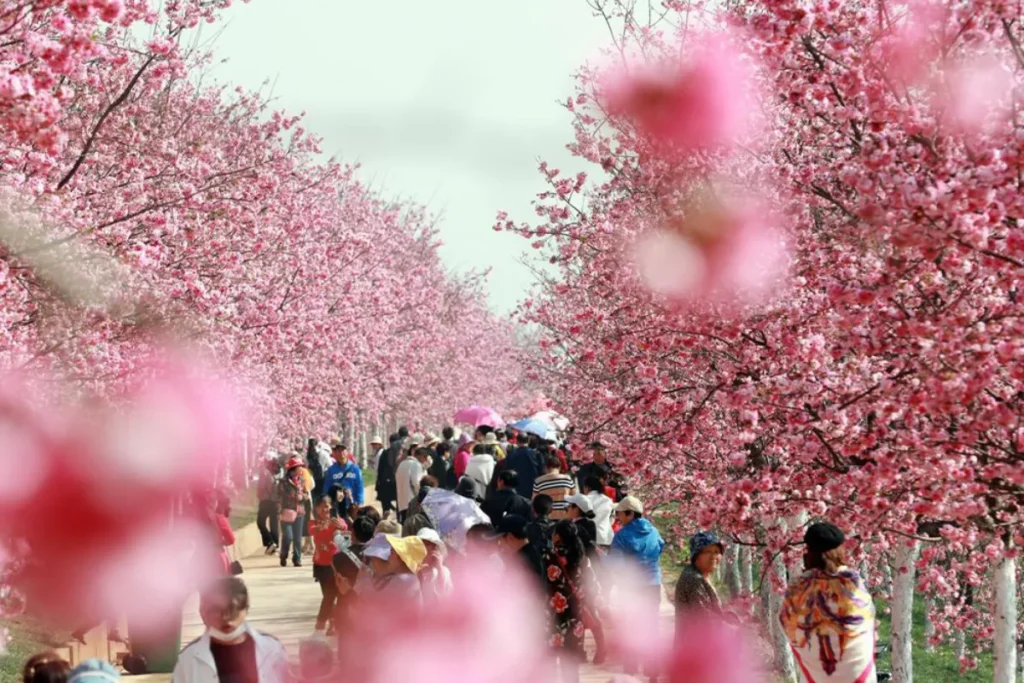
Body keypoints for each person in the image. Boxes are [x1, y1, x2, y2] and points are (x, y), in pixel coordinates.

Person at [780, 522, 876, 683]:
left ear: (808, 553)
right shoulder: (853, 584)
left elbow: (786, 621)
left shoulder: (798, 588)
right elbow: (866, 618)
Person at [173, 577, 289, 683]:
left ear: (246, 610)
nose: (226, 618)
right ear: (203, 613)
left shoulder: (272, 650)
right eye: (217, 610)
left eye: (232, 609)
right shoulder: (189, 659)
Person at [610, 495, 664, 680]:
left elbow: (615, 565)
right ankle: (653, 672)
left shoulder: (622, 535)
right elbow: (661, 546)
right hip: (653, 584)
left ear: (629, 513)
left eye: (620, 513)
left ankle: (631, 673)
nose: (617, 516)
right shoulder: (654, 531)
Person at [544, 521, 602, 683]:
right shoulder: (580, 556)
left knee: (551, 660)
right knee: (570, 663)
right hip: (576, 615)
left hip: (555, 616)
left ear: (558, 537)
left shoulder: (549, 556)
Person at [310, 495, 347, 633]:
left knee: (334, 594)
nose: (325, 509)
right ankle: (325, 622)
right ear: (316, 508)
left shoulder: (337, 520)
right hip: (321, 565)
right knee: (328, 595)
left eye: (327, 506)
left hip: (336, 564)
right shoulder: (314, 523)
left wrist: (339, 526)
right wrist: (327, 526)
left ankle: (327, 623)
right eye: (322, 506)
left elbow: (345, 528)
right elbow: (313, 530)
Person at [674, 531, 724, 627]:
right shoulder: (693, 580)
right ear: (696, 556)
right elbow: (705, 620)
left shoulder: (697, 574)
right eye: (707, 552)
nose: (713, 556)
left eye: (717, 552)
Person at [362, 534, 427, 603]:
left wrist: (364, 581)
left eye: (392, 551)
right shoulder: (408, 579)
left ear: (400, 558)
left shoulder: (402, 581)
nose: (389, 555)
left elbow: (373, 604)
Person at [493, 514, 544, 586]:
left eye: (500, 540)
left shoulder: (521, 562)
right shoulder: (531, 553)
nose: (499, 544)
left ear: (509, 537)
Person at [322, 441, 365, 519]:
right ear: (335, 453)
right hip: (337, 505)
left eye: (343, 450)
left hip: (352, 504)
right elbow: (327, 488)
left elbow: (360, 486)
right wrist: (327, 502)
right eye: (338, 450)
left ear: (347, 452)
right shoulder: (331, 470)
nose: (340, 452)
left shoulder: (355, 468)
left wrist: (359, 502)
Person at [278, 457, 308, 568]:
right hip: (287, 513)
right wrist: (278, 512)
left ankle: (297, 559)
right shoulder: (283, 482)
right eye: (299, 467)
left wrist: (303, 497)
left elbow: (306, 495)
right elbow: (279, 498)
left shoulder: (302, 481)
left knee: (298, 538)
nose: (301, 470)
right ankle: (283, 554)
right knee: (288, 536)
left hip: (299, 512)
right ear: (293, 469)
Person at [533, 453, 577, 519]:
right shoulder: (567, 479)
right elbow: (575, 498)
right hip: (565, 517)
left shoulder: (538, 481)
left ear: (546, 468)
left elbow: (534, 501)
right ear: (559, 467)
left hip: (547, 518)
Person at [395, 446, 431, 523]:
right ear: (421, 456)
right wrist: (422, 499)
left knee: (405, 526)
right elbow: (416, 483)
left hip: (402, 503)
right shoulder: (416, 465)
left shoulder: (402, 464)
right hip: (412, 503)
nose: (425, 461)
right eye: (425, 458)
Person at [416, 528, 453, 600]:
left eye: (426, 544)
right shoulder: (411, 568)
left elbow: (446, 595)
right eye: (419, 543)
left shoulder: (443, 571)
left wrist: (439, 568)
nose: (420, 547)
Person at [504, 432, 544, 498]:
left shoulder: (511, 454)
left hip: (516, 488)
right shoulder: (536, 454)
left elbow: (507, 471)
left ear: (517, 441)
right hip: (532, 487)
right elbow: (541, 470)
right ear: (528, 441)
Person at [583, 476, 615, 549]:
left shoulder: (584, 500)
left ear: (587, 488)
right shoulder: (608, 500)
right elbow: (612, 519)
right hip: (607, 537)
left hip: (590, 539)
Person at [256, 457, 280, 555]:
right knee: (274, 523)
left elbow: (262, 487)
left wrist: (260, 495)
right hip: (275, 502)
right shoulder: (274, 475)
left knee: (260, 522)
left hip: (266, 501)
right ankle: (275, 544)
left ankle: (270, 542)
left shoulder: (265, 473)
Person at [564, 493, 598, 557]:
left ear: (576, 509)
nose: (566, 508)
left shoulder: (571, 527)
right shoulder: (591, 524)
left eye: (569, 506)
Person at [376, 433, 402, 515]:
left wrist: (379, 482)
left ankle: (385, 522)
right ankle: (399, 522)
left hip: (385, 483)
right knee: (400, 506)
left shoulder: (385, 453)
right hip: (398, 483)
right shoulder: (401, 455)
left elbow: (380, 469)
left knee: (386, 508)